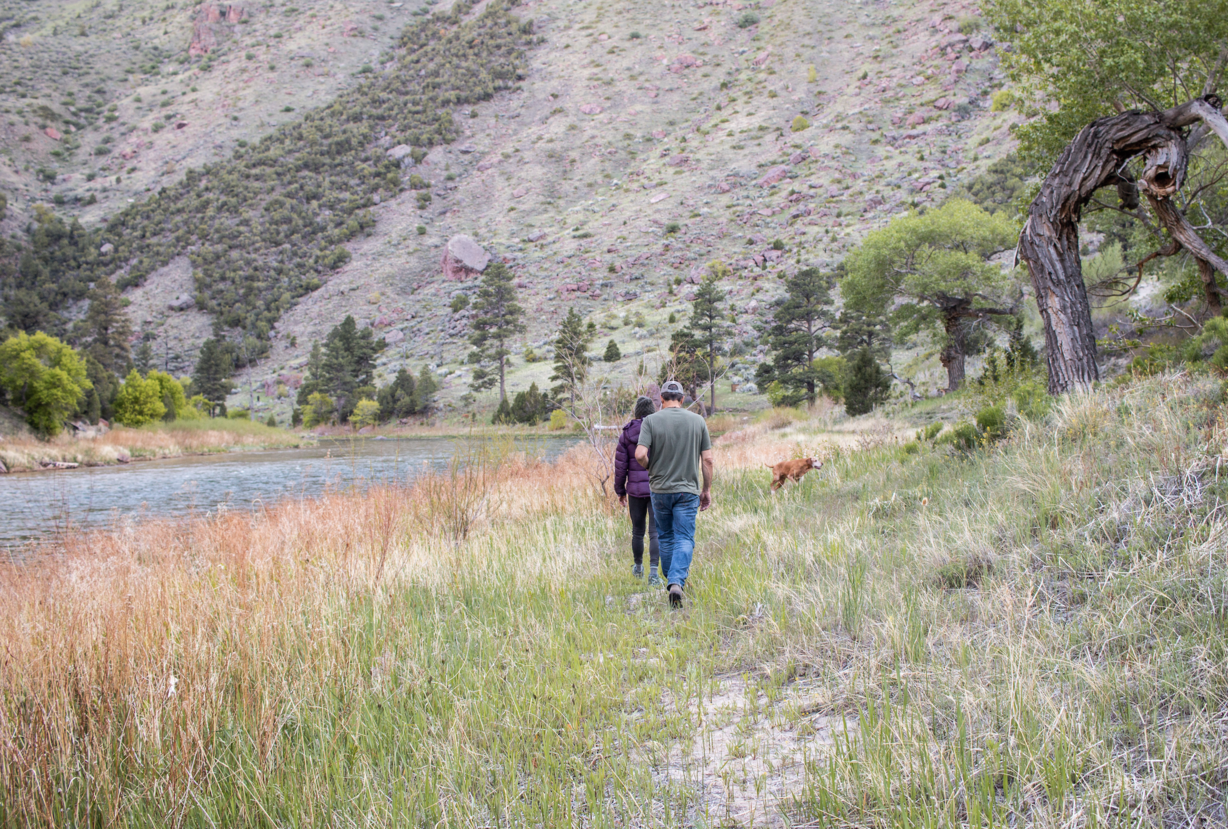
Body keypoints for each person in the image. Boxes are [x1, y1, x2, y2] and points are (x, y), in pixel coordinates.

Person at [635, 380, 713, 609]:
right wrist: (706, 490)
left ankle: (672, 582)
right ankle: (676, 582)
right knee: (685, 538)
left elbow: (640, 454)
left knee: (666, 537)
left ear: (661, 399)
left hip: (659, 490)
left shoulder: (650, 420)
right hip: (687, 491)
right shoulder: (698, 421)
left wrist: (651, 467)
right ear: (682, 399)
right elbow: (708, 459)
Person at [614, 396, 660, 584]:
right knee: (655, 532)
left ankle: (639, 567)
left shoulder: (627, 433)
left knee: (637, 531)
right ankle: (654, 574)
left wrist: (620, 491)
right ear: (652, 411)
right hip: (657, 487)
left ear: (636, 412)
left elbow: (620, 466)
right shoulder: (659, 429)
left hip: (634, 490)